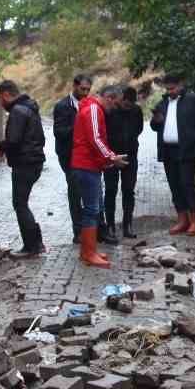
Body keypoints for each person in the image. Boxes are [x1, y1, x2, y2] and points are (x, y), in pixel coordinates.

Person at [150, 73, 195, 236]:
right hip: (168, 151)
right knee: (174, 185)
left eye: (172, 88)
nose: (170, 91)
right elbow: (154, 126)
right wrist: (156, 120)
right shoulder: (163, 103)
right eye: (167, 89)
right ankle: (182, 220)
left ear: (181, 85)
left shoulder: (194, 100)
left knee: (187, 183)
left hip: (187, 149)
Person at [71, 84, 127, 267]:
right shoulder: (94, 109)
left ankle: (88, 250)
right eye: (114, 104)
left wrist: (108, 159)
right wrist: (111, 157)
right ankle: (89, 253)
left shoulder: (90, 108)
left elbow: (95, 139)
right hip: (86, 165)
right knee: (92, 210)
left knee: (91, 209)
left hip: (87, 164)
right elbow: (95, 138)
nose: (113, 109)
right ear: (109, 98)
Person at [0, 80, 46, 257]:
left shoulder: (18, 111)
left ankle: (31, 246)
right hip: (34, 161)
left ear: (6, 95)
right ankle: (37, 243)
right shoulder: (30, 108)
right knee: (22, 203)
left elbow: (14, 140)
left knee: (20, 204)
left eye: (0, 99)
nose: (0, 103)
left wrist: (1, 147)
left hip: (24, 163)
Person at [51, 74, 91, 244]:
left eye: (88, 90)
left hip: (87, 156)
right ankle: (78, 231)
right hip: (69, 156)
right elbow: (58, 132)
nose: (85, 93)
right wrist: (78, 123)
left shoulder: (90, 104)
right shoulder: (62, 106)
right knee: (75, 192)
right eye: (83, 89)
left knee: (90, 192)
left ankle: (94, 229)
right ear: (74, 86)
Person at [101, 85, 143, 243]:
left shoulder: (136, 111)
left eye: (131, 105)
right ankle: (110, 225)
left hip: (130, 155)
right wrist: (111, 154)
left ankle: (128, 225)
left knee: (129, 190)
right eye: (126, 104)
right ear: (120, 100)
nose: (128, 107)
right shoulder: (110, 110)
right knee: (110, 191)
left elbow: (139, 129)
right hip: (112, 156)